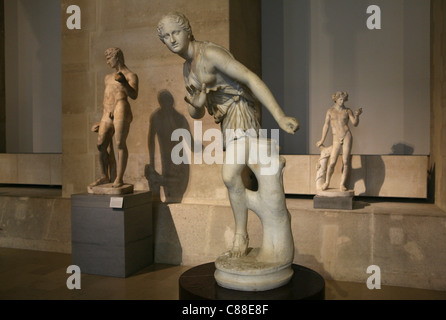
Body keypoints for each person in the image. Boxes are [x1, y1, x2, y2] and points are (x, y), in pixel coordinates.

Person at [157, 12, 299, 260]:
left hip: (240, 112)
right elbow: (196, 111)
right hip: (226, 121)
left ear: (188, 31)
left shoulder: (210, 54)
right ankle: (244, 233)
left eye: (175, 32)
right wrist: (198, 103)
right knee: (234, 178)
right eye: (166, 37)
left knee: (231, 174)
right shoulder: (186, 68)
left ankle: (242, 236)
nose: (172, 39)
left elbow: (249, 78)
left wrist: (280, 116)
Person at [90, 47, 139, 188]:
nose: (107, 62)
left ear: (117, 57)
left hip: (121, 108)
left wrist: (124, 82)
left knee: (119, 143)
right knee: (100, 144)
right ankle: (104, 176)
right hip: (107, 112)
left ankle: (119, 178)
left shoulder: (131, 75)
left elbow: (134, 95)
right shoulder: (107, 78)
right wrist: (102, 120)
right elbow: (106, 98)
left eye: (109, 58)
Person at [316, 91, 362, 192]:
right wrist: (322, 139)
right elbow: (326, 125)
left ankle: (342, 184)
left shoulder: (347, 111)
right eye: (340, 99)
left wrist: (357, 115)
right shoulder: (330, 111)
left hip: (346, 135)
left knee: (345, 161)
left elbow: (354, 123)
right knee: (332, 162)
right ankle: (327, 182)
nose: (342, 101)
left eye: (343, 99)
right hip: (336, 137)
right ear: (335, 99)